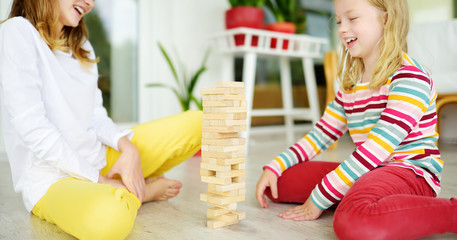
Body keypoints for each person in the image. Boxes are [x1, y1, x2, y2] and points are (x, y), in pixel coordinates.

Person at [0, 0, 202, 239]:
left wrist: (129, 150)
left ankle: (125, 187)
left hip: (101, 158)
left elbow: (95, 115)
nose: (90, 3)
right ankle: (141, 192)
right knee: (109, 217)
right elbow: (34, 129)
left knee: (200, 122)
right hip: (53, 181)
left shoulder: (81, 45)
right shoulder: (16, 32)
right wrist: (101, 181)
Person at [256, 0, 457, 239]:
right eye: (339, 21)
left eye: (352, 19)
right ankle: (363, 196)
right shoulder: (351, 85)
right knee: (280, 183)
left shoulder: (410, 78)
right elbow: (321, 134)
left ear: (386, 19)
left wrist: (319, 198)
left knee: (353, 222)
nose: (342, 28)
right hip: (370, 169)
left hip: (410, 172)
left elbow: (376, 149)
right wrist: (276, 165)